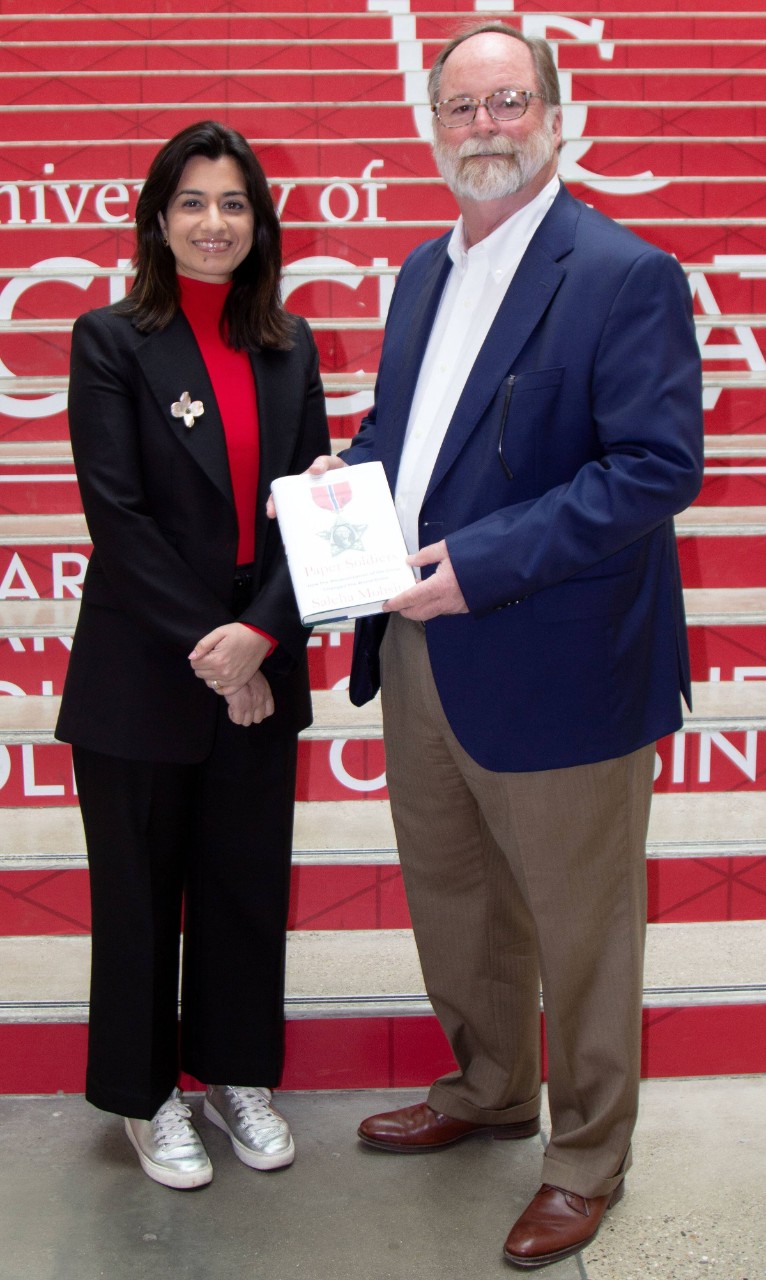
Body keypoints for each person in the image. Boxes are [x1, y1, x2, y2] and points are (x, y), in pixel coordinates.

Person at [298, 22, 703, 1270]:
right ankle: (485, 1087)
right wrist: (346, 483)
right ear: (432, 125)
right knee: (457, 902)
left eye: (507, 102)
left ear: (556, 112)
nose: (484, 127)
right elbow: (413, 435)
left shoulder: (621, 271)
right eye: (461, 108)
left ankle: (587, 1152)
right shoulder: (420, 271)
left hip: (557, 658)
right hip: (420, 654)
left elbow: (652, 469)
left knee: (581, 927)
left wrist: (478, 564)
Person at [56, 120, 330, 1190]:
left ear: (259, 221)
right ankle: (145, 1095)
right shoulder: (110, 337)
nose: (213, 222)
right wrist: (220, 651)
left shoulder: (290, 342)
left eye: (232, 203)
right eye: (191, 203)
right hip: (143, 655)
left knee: (243, 880)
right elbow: (115, 517)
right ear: (158, 219)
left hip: (258, 641)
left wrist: (260, 632)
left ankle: (232, 1073)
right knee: (138, 891)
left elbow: (308, 511)